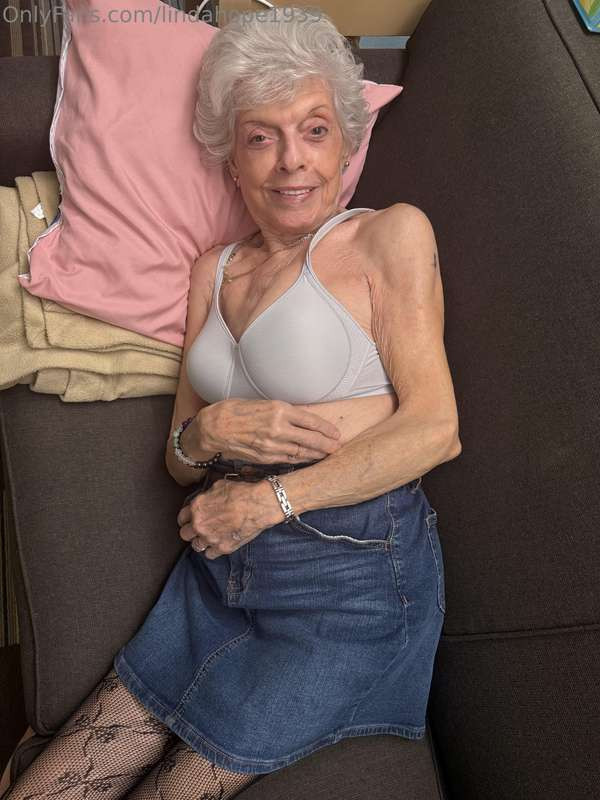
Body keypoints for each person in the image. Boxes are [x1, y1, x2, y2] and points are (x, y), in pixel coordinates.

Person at [2, 6, 461, 800]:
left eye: (314, 130)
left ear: (345, 144)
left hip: (350, 586)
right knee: (45, 789)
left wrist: (266, 502)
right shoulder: (210, 271)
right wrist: (207, 431)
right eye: (261, 137)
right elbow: (180, 461)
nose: (292, 161)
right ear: (232, 159)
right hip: (221, 573)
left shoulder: (387, 237)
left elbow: (435, 429)